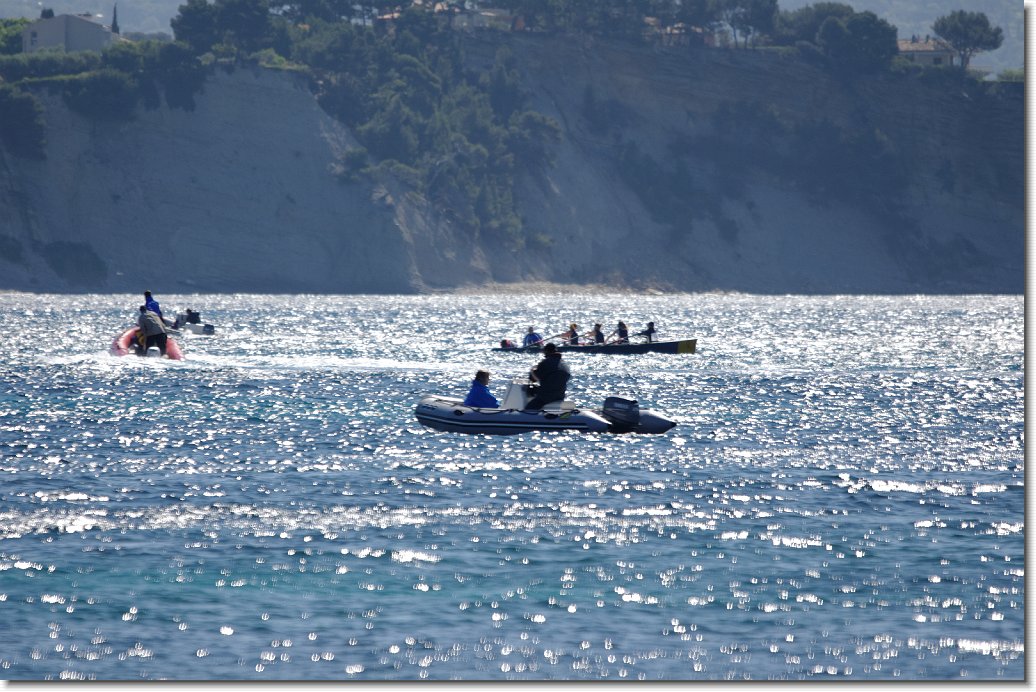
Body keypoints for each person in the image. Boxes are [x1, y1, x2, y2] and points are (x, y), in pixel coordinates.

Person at [525, 342, 571, 410]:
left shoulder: (545, 363)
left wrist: (532, 370)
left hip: (546, 396)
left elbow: (533, 378)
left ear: (546, 351)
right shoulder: (564, 364)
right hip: (560, 395)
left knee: (529, 408)